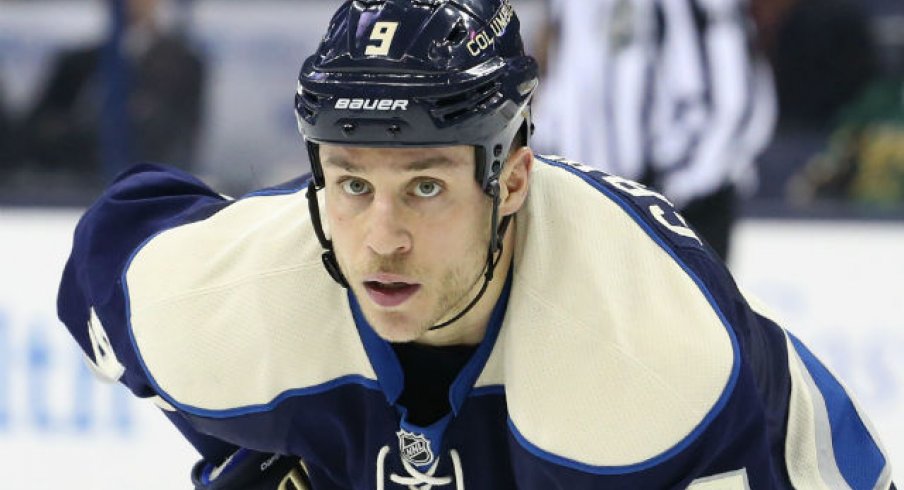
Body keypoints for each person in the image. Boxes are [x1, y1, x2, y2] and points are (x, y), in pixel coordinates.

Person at [57, 0, 895, 488]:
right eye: (352, 184)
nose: (381, 240)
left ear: (514, 181)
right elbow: (105, 259)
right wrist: (249, 455)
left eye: (426, 187)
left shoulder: (646, 368)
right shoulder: (226, 291)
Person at [532, 0, 777, 260]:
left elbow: (734, 105)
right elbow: (564, 88)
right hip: (583, 206)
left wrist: (661, 197)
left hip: (674, 213)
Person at [14, 0, 205, 186]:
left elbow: (183, 137)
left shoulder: (184, 65)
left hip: (154, 185)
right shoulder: (77, 64)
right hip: (79, 184)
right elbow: (39, 130)